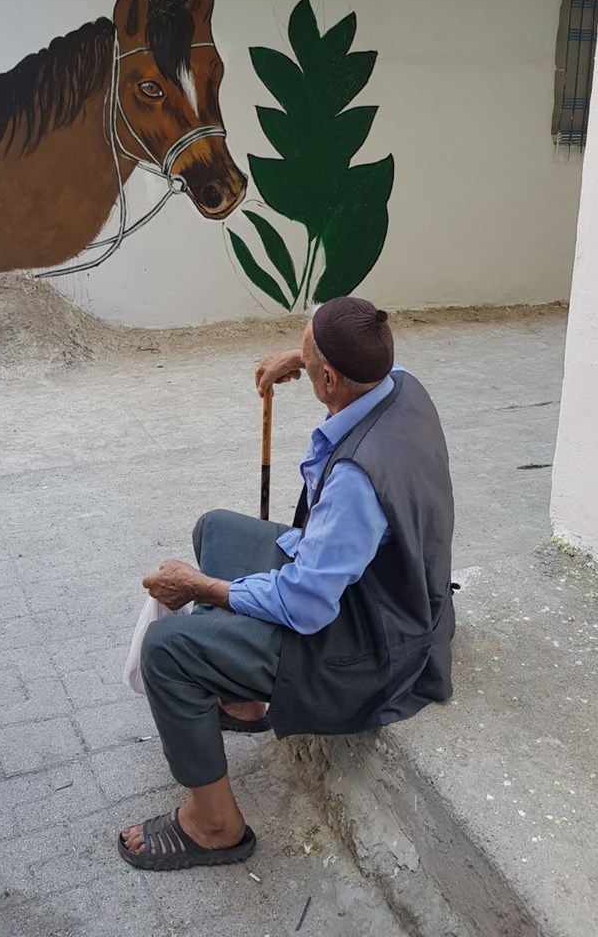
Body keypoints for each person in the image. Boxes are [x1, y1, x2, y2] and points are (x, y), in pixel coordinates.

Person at [119, 296, 455, 871]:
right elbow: (349, 342)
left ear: (331, 378)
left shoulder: (355, 479)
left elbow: (303, 603)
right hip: (379, 595)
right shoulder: (400, 382)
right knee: (215, 530)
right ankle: (245, 701)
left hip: (366, 649)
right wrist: (297, 360)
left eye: (307, 357)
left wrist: (203, 589)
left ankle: (215, 824)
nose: (297, 361)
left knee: (166, 649)